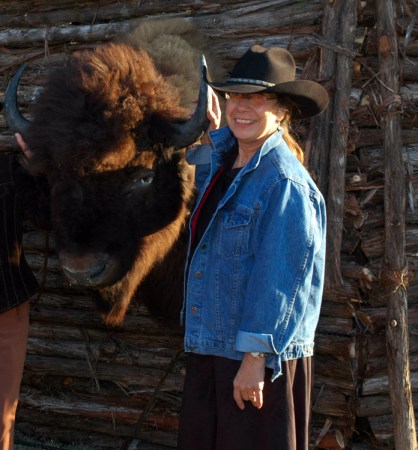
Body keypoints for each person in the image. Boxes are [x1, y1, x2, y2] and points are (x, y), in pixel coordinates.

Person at [177, 45, 329, 450]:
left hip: (257, 361)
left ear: (282, 112)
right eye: (236, 96)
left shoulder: (285, 184)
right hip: (214, 348)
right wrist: (217, 130)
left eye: (258, 98)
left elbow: (281, 279)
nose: (242, 107)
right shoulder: (230, 165)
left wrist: (255, 359)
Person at [0, 134, 49, 450]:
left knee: (2, 416)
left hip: (7, 306)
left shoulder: (9, 169)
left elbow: (48, 217)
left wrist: (40, 172)